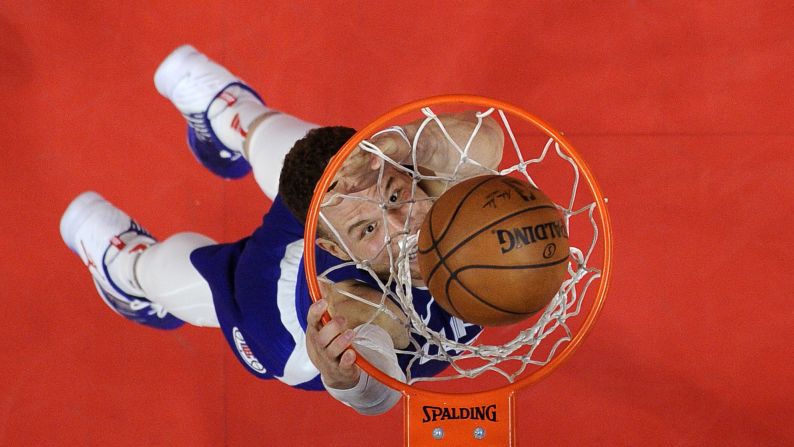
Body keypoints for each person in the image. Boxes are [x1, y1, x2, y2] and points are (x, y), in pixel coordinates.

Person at [60, 45, 503, 414]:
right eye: (370, 227)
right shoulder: (357, 301)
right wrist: (349, 376)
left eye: (396, 196)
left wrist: (409, 142)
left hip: (308, 273)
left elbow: (489, 145)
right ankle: (133, 271)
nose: (402, 226)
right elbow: (376, 380)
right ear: (332, 243)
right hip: (280, 297)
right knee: (201, 264)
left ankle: (230, 122)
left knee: (326, 163)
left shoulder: (392, 184)